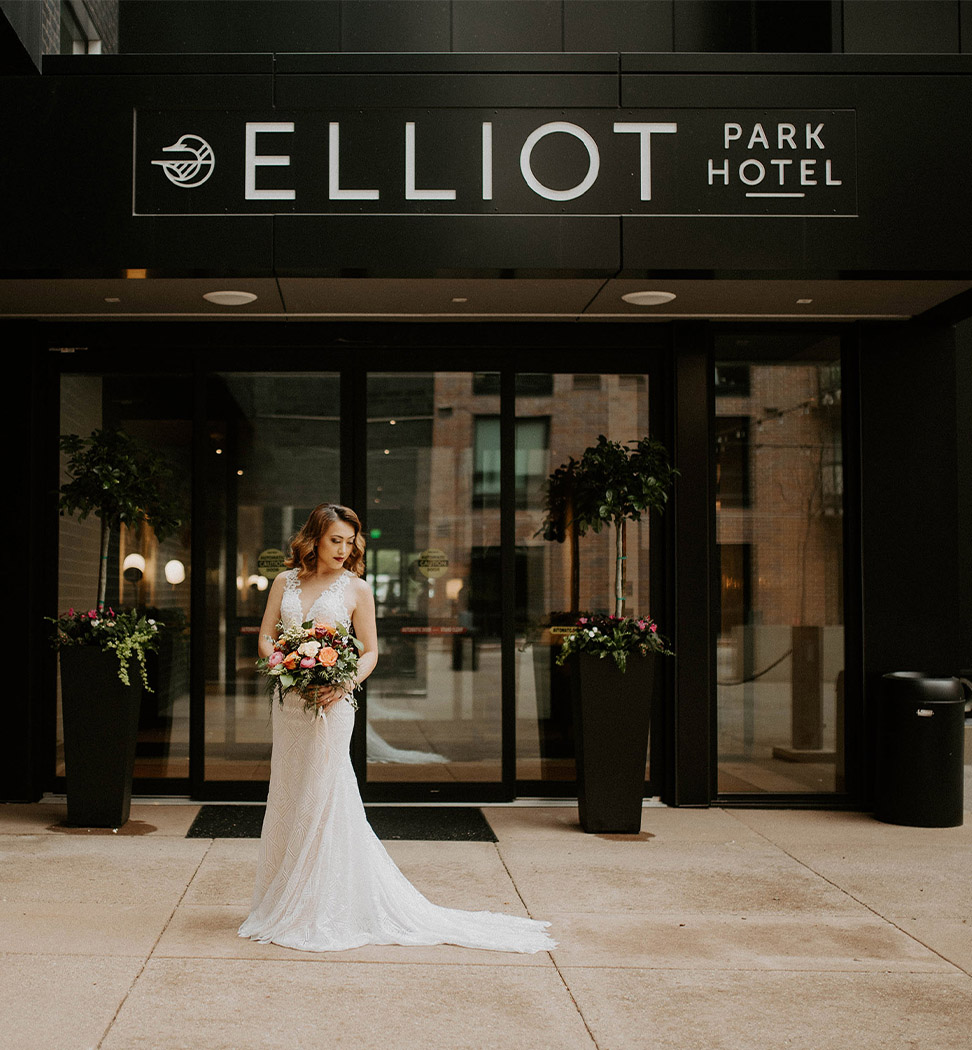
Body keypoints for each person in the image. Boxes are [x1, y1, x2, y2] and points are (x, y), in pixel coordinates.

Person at [238, 503, 555, 953]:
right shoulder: (284, 582)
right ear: (313, 538)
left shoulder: (357, 589)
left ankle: (320, 904)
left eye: (350, 542)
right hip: (290, 702)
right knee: (290, 790)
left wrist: (343, 679)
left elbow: (370, 651)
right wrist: (284, 660)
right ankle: (282, 898)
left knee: (323, 794)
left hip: (332, 704)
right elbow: (267, 633)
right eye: (335, 541)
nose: (344, 550)